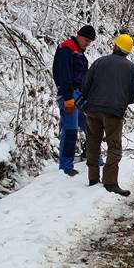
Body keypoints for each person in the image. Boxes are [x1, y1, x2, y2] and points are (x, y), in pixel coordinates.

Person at [80, 33, 134, 196]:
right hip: (114, 112)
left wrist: (88, 100)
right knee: (114, 146)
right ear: (128, 51)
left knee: (93, 142)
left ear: (115, 46)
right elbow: (133, 96)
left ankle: (93, 178)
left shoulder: (99, 62)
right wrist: (121, 102)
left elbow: (85, 86)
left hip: (93, 110)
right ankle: (110, 182)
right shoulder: (133, 70)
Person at [53, 24, 95, 176]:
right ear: (79, 35)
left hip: (79, 95)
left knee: (90, 127)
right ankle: (65, 166)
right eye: (86, 40)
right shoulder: (66, 49)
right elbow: (64, 75)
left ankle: (94, 158)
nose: (87, 44)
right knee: (70, 130)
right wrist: (68, 98)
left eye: (90, 42)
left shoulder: (79, 53)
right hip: (68, 95)